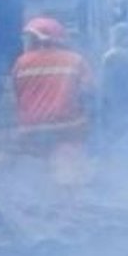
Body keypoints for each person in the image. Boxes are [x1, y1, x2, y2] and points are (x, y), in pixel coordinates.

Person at [11, 16, 93, 185]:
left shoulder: (21, 62)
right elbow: (89, 93)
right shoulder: (76, 60)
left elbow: (17, 94)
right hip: (68, 130)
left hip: (30, 131)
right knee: (68, 182)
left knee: (34, 182)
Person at [99, 22, 128, 169]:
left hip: (115, 106)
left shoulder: (110, 57)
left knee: (115, 140)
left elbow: (104, 85)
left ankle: (117, 169)